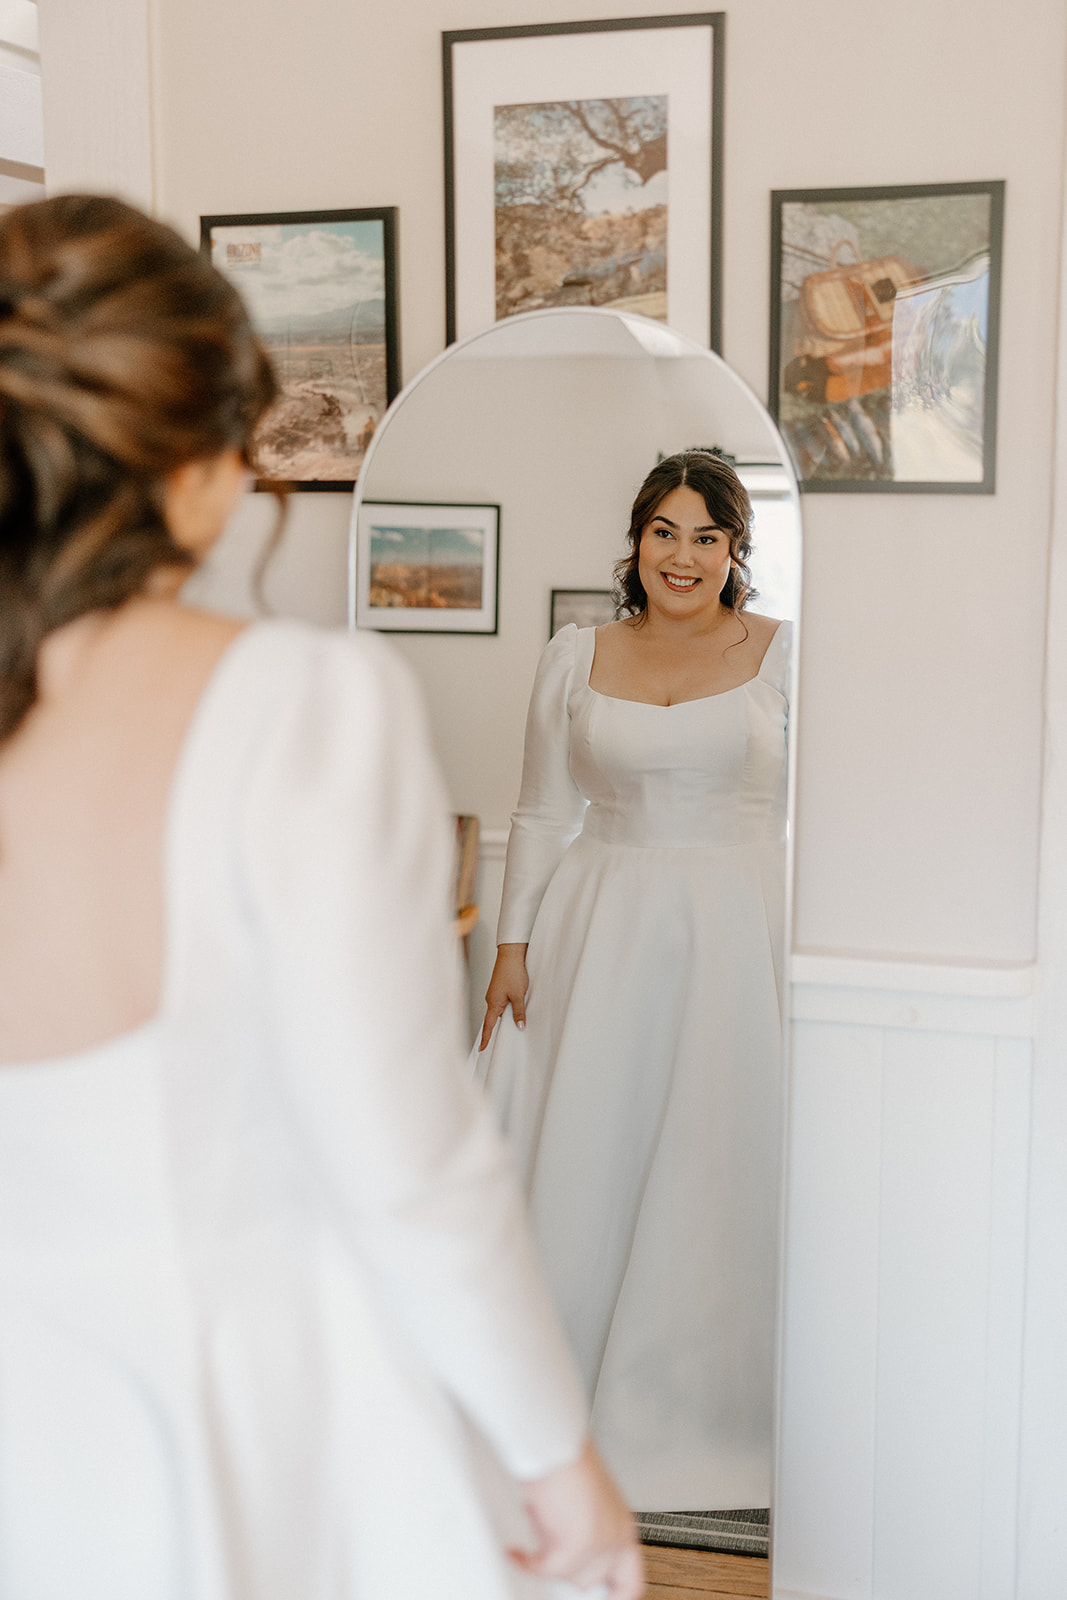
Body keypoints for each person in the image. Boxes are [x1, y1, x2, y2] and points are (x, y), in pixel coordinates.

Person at [0, 194, 643, 1600]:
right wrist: (553, 1456)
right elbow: (408, 1160)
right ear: (201, 461)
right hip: (228, 1409)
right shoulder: (289, 704)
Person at [477, 451, 791, 1513]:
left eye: (708, 535)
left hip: (737, 929)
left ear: (735, 550)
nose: (684, 556)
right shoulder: (577, 653)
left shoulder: (786, 655)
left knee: (712, 1159)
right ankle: (558, 1404)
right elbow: (535, 807)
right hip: (596, 923)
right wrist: (510, 945)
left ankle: (711, 1416)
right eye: (666, 531)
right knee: (592, 1147)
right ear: (635, 540)